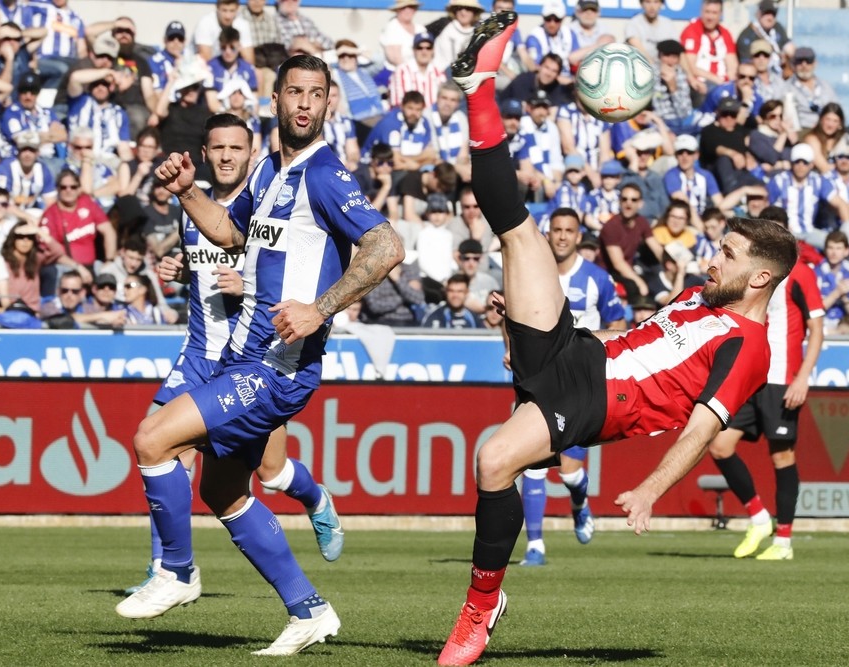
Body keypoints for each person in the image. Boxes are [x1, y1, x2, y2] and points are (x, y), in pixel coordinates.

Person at [438, 15, 797, 665]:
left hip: (598, 398)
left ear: (762, 276)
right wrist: (526, 316)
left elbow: (702, 426)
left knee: (494, 461)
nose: (714, 259)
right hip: (582, 350)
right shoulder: (699, 297)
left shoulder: (752, 346)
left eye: (728, 253)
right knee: (517, 231)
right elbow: (635, 338)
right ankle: (479, 88)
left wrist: (653, 489)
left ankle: (480, 607)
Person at [123, 54, 403, 656]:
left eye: (316, 94)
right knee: (222, 491)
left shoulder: (325, 174)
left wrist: (321, 309)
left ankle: (176, 571)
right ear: (275, 99)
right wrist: (188, 193)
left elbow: (386, 245)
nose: (304, 103)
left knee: (152, 439)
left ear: (329, 104)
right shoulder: (272, 169)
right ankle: (309, 611)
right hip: (244, 360)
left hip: (277, 366)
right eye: (294, 92)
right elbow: (230, 232)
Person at [707, 206, 823, 561]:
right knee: (718, 445)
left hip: (781, 379)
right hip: (750, 374)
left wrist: (803, 377)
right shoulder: (749, 271)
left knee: (782, 456)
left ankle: (784, 541)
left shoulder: (800, 274)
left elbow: (817, 329)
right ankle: (758, 517)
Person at [519, 207, 626, 567]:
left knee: (568, 472)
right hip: (537, 380)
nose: (562, 236)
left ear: (579, 236)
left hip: (582, 385)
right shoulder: (534, 275)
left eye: (569, 230)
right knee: (531, 465)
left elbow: (620, 325)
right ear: (548, 233)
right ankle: (535, 546)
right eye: (557, 229)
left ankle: (579, 500)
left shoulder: (596, 278)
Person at [817, 230, 849, 332]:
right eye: (831, 248)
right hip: (819, 324)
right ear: (825, 250)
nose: (834, 253)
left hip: (842, 325)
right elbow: (815, 310)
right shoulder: (814, 273)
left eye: (838, 248)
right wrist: (837, 292)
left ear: (846, 251)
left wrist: (844, 298)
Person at [625, 0, 679, 66]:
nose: (652, 7)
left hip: (665, 67)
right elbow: (639, 50)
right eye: (648, 2)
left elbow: (677, 51)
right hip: (642, 66)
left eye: (656, 2)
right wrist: (653, 69)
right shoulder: (633, 23)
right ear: (641, 4)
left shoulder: (668, 24)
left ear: (661, 4)